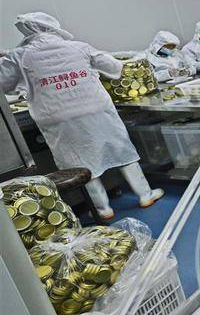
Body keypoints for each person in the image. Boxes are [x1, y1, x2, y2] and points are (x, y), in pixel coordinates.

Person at [0, 12, 164, 219]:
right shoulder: (78, 47)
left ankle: (102, 209)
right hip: (97, 110)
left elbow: (4, 84)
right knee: (121, 151)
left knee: (80, 162)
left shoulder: (19, 56)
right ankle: (145, 195)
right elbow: (114, 67)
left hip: (58, 118)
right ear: (53, 27)